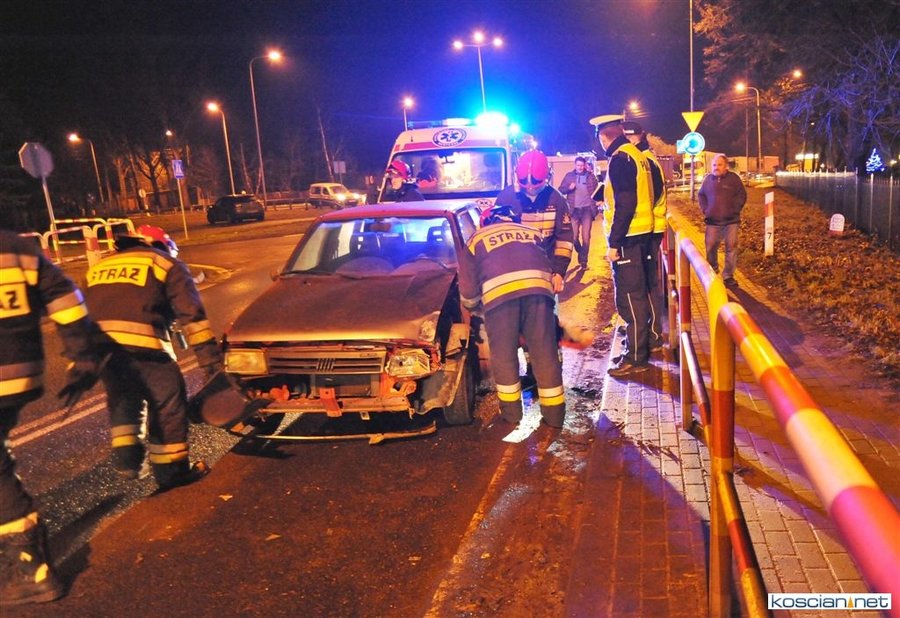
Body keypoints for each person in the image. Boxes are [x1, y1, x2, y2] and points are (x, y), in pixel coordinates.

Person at [1, 229, 102, 606]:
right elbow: (66, 298)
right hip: (20, 372)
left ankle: (29, 568)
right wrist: (82, 355)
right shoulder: (16, 248)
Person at [83, 225, 222, 490]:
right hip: (144, 346)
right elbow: (192, 318)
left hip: (101, 348)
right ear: (162, 246)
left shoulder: (100, 266)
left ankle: (129, 462)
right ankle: (172, 472)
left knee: (125, 399)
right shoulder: (166, 264)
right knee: (167, 403)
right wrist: (210, 362)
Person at [458, 205, 565, 428]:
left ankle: (511, 414)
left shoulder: (476, 240)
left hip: (500, 301)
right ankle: (555, 416)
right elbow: (545, 263)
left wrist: (475, 307)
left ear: (485, 223)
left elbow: (468, 291)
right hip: (539, 295)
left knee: (504, 356)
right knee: (545, 353)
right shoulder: (532, 232)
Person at [590, 114, 654, 377]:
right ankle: (635, 349)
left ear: (604, 137)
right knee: (635, 296)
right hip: (641, 235)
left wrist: (614, 243)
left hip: (628, 239)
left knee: (630, 298)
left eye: (600, 139)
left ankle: (636, 358)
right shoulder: (636, 155)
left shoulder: (621, 159)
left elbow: (626, 204)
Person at [623, 121, 667, 350]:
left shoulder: (645, 160)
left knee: (647, 284)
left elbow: (652, 194)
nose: (626, 141)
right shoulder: (643, 158)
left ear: (639, 136)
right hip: (647, 229)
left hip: (648, 231)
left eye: (629, 137)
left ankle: (653, 334)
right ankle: (646, 331)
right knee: (643, 283)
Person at [698, 154, 747, 286]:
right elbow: (701, 195)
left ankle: (728, 276)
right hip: (713, 222)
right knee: (710, 247)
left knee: (731, 247)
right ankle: (713, 270)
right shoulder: (708, 180)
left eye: (719, 165)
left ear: (726, 166)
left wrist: (735, 209)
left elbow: (742, 195)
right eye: (714, 165)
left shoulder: (734, 179)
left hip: (731, 221)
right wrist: (706, 210)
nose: (716, 167)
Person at [557, 156, 599, 267]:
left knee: (586, 237)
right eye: (578, 165)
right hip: (573, 210)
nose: (580, 167)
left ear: (585, 165)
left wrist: (599, 201)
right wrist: (569, 188)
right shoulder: (569, 176)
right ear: (575, 165)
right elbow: (560, 190)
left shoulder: (590, 177)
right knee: (574, 237)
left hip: (587, 210)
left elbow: (597, 191)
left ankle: (584, 260)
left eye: (582, 165)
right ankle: (581, 252)